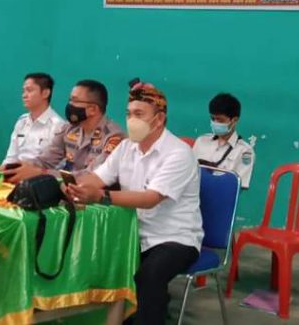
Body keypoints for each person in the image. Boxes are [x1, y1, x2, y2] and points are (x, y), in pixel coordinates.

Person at [66, 83, 203, 325]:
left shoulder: (178, 153)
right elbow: (97, 178)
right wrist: (72, 186)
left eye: (139, 114)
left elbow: (150, 199)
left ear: (159, 119)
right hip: (132, 232)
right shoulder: (126, 147)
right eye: (129, 114)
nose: (131, 120)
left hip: (174, 238)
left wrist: (101, 196)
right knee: (92, 256)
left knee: (149, 276)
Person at [4, 79, 124, 183]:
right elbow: (45, 160)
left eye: (75, 101)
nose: (70, 105)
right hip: (67, 191)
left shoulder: (114, 137)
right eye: (70, 100)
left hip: (96, 199)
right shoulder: (68, 129)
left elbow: (92, 176)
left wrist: (42, 173)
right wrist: (15, 168)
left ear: (92, 109)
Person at [192, 93, 255, 188]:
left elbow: (237, 188)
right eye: (212, 118)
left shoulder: (245, 151)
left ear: (234, 120)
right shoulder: (201, 141)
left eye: (220, 120)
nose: (215, 123)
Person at [3, 72, 66, 165]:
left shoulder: (58, 126)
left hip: (39, 172)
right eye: (23, 91)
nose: (24, 95)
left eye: (29, 90)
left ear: (45, 93)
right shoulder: (22, 121)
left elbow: (56, 164)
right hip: (14, 171)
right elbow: (11, 157)